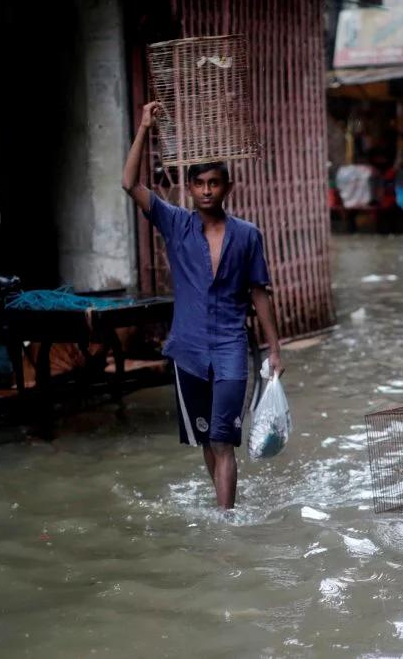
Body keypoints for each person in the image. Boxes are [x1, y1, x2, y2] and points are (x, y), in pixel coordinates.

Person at [122, 101, 284, 510]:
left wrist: (274, 349)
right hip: (188, 351)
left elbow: (259, 292)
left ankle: (225, 521)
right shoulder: (175, 223)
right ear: (189, 188)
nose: (207, 190)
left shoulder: (247, 235)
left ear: (226, 188)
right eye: (200, 184)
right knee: (205, 440)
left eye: (215, 183)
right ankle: (222, 506)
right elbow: (129, 183)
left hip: (231, 348)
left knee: (222, 438)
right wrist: (144, 127)